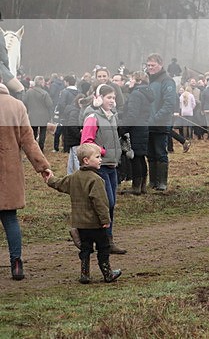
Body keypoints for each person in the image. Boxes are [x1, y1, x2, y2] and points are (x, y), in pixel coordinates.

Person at [45, 143, 122, 283]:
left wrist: (49, 179)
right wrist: (105, 220)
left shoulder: (74, 177)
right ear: (86, 160)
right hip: (96, 224)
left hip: (80, 224)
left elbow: (60, 184)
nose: (100, 160)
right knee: (103, 248)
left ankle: (85, 274)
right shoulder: (96, 180)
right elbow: (100, 203)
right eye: (97, 157)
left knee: (85, 249)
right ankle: (108, 273)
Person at [0, 81, 53, 280]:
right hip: (10, 172)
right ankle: (16, 263)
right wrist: (43, 166)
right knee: (10, 219)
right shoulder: (17, 105)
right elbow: (29, 141)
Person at [80, 84, 126, 255]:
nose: (112, 101)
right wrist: (103, 151)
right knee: (107, 203)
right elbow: (86, 141)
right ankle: (99, 238)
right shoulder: (93, 117)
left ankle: (105, 239)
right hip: (100, 167)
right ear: (99, 98)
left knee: (109, 205)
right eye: (108, 97)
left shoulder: (112, 116)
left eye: (113, 98)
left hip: (112, 165)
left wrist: (121, 149)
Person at [119, 71, 154, 195]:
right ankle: (142, 186)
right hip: (143, 127)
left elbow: (132, 115)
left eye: (132, 79)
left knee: (135, 158)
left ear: (138, 81)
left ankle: (136, 187)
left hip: (135, 129)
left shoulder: (136, 94)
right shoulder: (145, 93)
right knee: (140, 157)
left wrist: (122, 129)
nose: (129, 81)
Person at [145, 53, 177, 191]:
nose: (150, 68)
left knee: (160, 152)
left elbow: (169, 103)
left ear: (160, 64)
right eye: (148, 65)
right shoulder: (148, 80)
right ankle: (152, 181)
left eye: (153, 65)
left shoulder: (167, 81)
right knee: (150, 153)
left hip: (160, 123)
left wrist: (156, 118)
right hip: (147, 123)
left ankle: (162, 182)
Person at [23, 75, 54, 151]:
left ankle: (33, 147)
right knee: (43, 132)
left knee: (33, 132)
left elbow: (24, 102)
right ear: (41, 83)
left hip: (32, 114)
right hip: (43, 115)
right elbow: (50, 104)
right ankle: (41, 147)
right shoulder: (44, 93)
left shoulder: (28, 92)